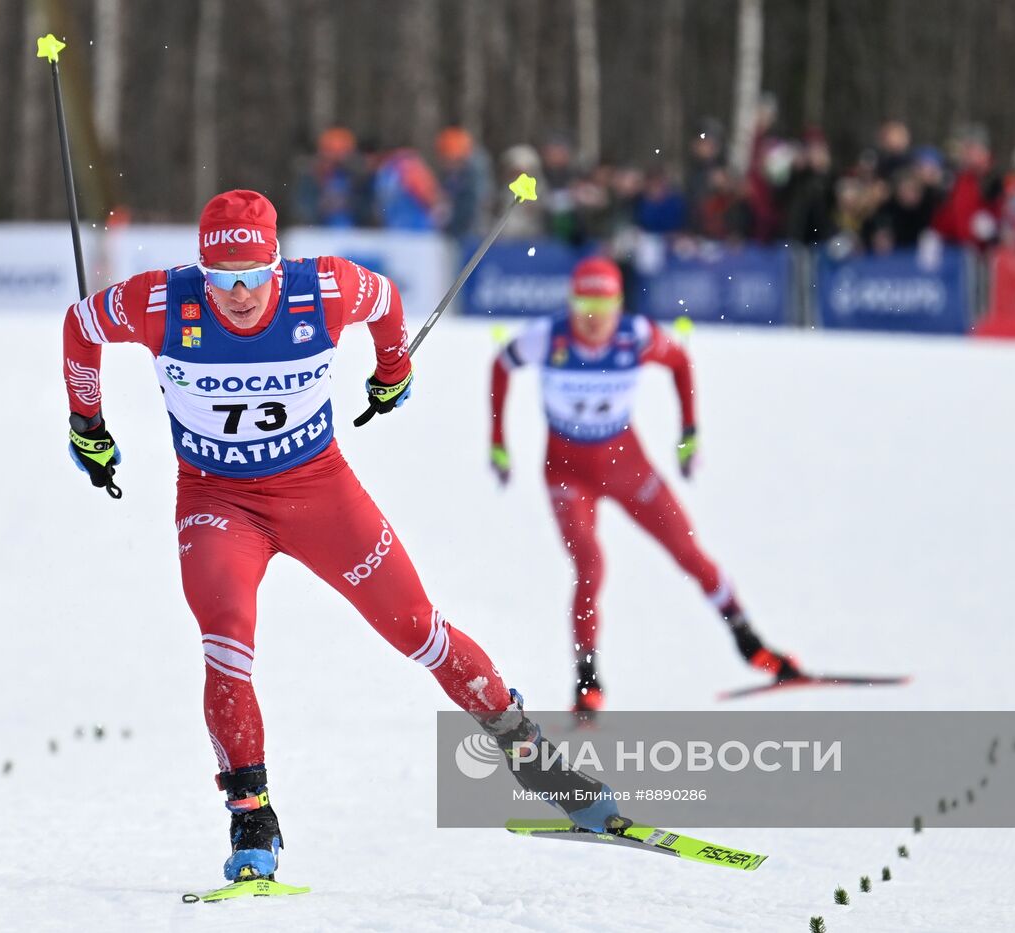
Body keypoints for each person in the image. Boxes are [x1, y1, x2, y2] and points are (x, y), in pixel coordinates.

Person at [62, 190, 620, 886]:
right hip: (217, 500)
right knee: (227, 635)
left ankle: (535, 759)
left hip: (318, 491)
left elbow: (385, 299)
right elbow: (81, 325)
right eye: (222, 279)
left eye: (254, 275)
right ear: (200, 271)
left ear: (276, 264)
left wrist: (393, 369)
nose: (238, 294)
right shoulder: (160, 303)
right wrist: (88, 425)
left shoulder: (321, 289)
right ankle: (251, 815)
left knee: (420, 628)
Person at [487, 257, 798, 713]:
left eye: (603, 306)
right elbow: (500, 365)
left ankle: (751, 643)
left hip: (625, 463)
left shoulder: (636, 336)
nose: (593, 319)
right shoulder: (547, 337)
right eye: (584, 306)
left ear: (619, 305)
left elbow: (680, 362)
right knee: (590, 564)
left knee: (689, 551)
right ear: (571, 305)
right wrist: (498, 442)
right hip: (567, 472)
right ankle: (588, 680)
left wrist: (689, 433)